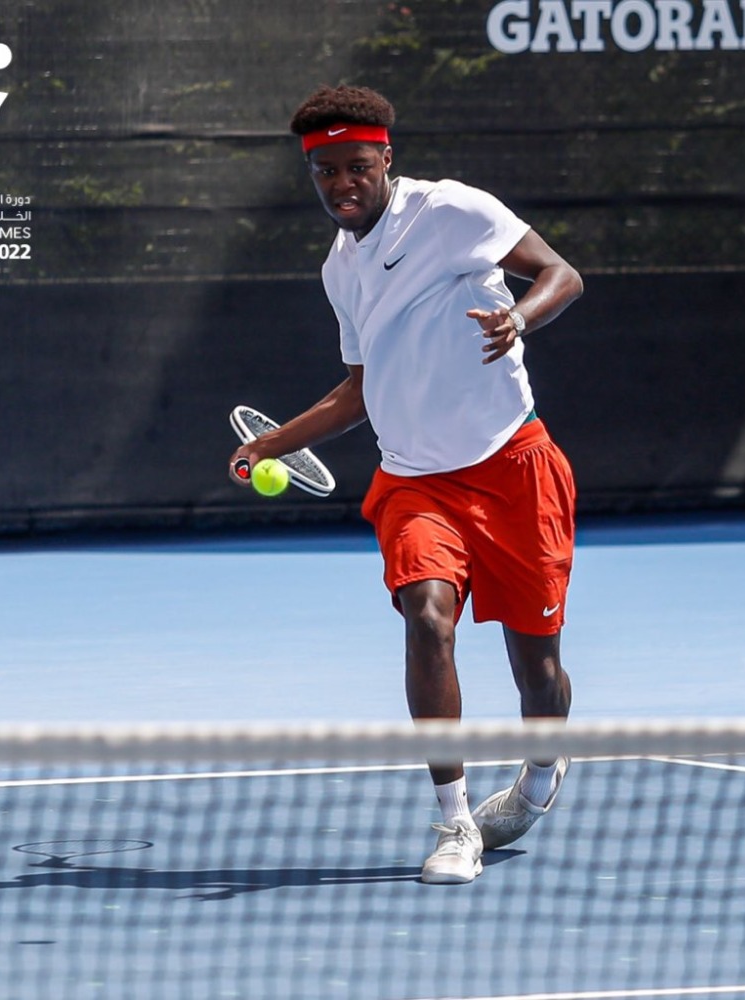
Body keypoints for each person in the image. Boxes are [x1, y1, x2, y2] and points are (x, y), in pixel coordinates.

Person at [229, 84, 583, 885]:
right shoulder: (339, 268)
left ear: (386, 158)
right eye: (326, 172)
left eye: (357, 166)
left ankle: (541, 769)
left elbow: (562, 274)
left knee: (539, 675)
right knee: (427, 619)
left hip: (513, 466)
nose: (342, 184)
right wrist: (269, 445)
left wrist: (519, 317)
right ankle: (456, 821)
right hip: (415, 483)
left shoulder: (451, 211)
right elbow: (360, 389)